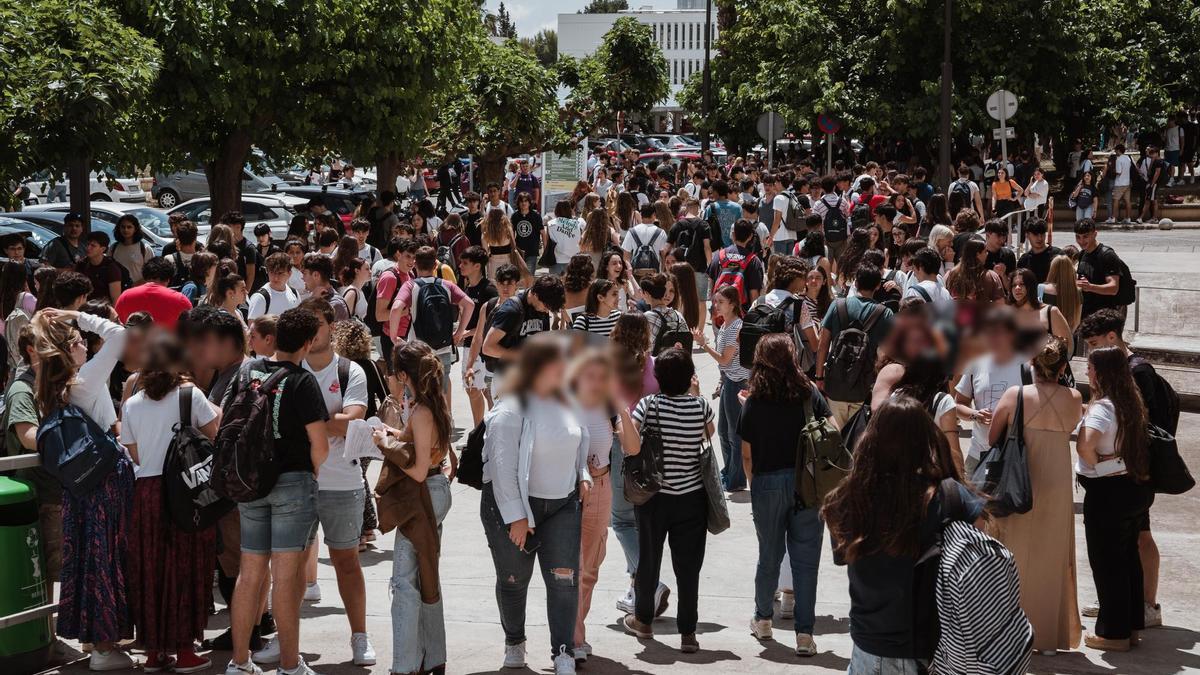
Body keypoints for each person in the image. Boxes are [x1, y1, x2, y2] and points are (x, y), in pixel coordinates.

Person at [823, 396, 985, 673]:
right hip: (923, 650)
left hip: (866, 646)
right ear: (926, 441)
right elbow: (977, 549)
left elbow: (842, 556)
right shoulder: (947, 497)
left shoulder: (848, 498)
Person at [256, 298, 375, 667]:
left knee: (346, 563)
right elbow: (332, 423)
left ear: (330, 325)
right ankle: (283, 638)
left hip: (343, 483)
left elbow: (352, 421)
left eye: (318, 323)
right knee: (286, 569)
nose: (312, 332)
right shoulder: (288, 368)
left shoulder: (350, 371)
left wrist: (302, 424)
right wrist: (326, 421)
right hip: (295, 484)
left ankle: (360, 637)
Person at [223, 307, 330, 675]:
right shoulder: (303, 381)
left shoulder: (247, 372)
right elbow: (320, 445)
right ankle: (289, 664)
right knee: (286, 578)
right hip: (292, 484)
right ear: (308, 341)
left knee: (249, 573)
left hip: (249, 482)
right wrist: (311, 473)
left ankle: (239, 662)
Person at [480, 334, 590, 674]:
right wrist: (516, 516)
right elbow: (502, 467)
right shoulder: (511, 408)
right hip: (512, 509)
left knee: (563, 580)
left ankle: (563, 652)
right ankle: (515, 642)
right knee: (514, 580)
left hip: (563, 506)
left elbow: (578, 440)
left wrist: (582, 473)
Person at [32, 308, 133, 670]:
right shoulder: (85, 381)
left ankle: (97, 641)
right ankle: (105, 647)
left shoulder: (53, 389)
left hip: (81, 488)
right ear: (67, 350)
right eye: (78, 342)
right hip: (105, 481)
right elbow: (120, 335)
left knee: (90, 560)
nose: (86, 347)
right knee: (106, 559)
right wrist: (78, 314)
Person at [121, 333, 221, 673]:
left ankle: (154, 652)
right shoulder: (190, 395)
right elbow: (213, 435)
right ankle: (185, 649)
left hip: (146, 494)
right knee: (187, 566)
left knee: (151, 569)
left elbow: (134, 452)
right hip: (185, 491)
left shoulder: (131, 404)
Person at [986, 337, 1083, 655]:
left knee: (1013, 553)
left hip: (1021, 476)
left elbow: (992, 436)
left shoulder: (1017, 395)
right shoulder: (1075, 397)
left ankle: (1010, 631)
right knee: (1050, 557)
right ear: (1063, 367)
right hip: (1057, 476)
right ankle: (1045, 637)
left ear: (1032, 364)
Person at [738, 334, 832, 656]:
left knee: (769, 556)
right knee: (806, 563)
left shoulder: (754, 399)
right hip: (807, 483)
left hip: (767, 484)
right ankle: (804, 636)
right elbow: (831, 429)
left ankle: (763, 619)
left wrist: (755, 485)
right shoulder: (808, 394)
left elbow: (746, 455)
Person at [621, 347, 714, 655]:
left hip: (654, 497)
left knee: (648, 560)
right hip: (691, 497)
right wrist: (696, 393)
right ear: (689, 377)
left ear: (658, 378)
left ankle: (644, 620)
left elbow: (630, 441)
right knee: (689, 567)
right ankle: (688, 633)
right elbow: (709, 433)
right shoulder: (700, 406)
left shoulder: (649, 405)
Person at [373, 341, 454, 674]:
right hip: (435, 493)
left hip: (424, 497)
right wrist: (392, 432)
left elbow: (418, 469)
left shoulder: (421, 410)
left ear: (404, 375)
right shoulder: (433, 403)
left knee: (404, 582)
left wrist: (384, 443)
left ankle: (405, 665)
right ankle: (432, 657)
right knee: (425, 577)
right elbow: (421, 442)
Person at [1075, 346, 1155, 652]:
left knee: (1107, 564)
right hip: (1134, 489)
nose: (1087, 373)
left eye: (1091, 368)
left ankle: (1113, 633)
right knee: (1128, 561)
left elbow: (1086, 446)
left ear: (1102, 373)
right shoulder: (1131, 401)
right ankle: (1132, 627)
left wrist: (1100, 465)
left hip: (1108, 494)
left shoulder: (1103, 408)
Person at [569, 349, 639, 663]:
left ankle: (575, 631)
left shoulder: (608, 405)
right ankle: (572, 637)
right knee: (569, 567)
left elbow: (632, 447)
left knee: (591, 567)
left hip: (600, 485)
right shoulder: (564, 403)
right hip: (568, 490)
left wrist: (622, 409)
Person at [815, 264, 895, 426]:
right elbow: (889, 352)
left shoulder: (837, 305)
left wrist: (819, 377)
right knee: (858, 441)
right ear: (878, 285)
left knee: (837, 438)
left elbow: (823, 344)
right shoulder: (885, 313)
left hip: (836, 383)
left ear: (856, 283)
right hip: (866, 386)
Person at [693, 285, 751, 491]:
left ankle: (736, 479)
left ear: (733, 304)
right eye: (715, 301)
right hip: (729, 382)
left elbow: (725, 360)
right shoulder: (726, 325)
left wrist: (703, 344)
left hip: (737, 384)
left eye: (720, 302)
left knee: (733, 434)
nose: (715, 305)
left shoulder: (736, 327)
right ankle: (730, 472)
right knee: (724, 431)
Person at [954, 307, 1025, 476]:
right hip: (978, 453)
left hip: (1015, 455)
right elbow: (958, 404)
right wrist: (975, 414)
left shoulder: (1027, 368)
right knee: (971, 500)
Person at [482, 274, 564, 385]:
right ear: (535, 295)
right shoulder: (511, 310)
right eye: (546, 306)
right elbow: (488, 347)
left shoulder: (541, 307)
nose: (546, 311)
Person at [114, 257, 193, 330]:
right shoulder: (180, 300)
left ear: (144, 276)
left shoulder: (125, 296)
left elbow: (116, 327)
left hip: (132, 343)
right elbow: (190, 332)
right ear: (169, 279)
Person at [1073, 219, 1126, 320]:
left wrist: (1090, 287)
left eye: (1085, 236)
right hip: (1086, 314)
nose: (1081, 241)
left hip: (1104, 316)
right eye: (1078, 237)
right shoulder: (1083, 254)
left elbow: (1113, 288)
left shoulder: (1107, 255)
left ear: (1095, 234)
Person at [247, 252, 301, 321]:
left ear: (289, 273)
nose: (275, 278)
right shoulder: (260, 297)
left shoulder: (294, 293)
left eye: (280, 273)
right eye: (272, 272)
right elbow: (252, 328)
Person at [75, 231, 124, 303]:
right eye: (88, 244)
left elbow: (116, 299)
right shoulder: (82, 264)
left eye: (93, 246)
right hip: (84, 308)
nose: (88, 248)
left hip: (103, 309)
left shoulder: (111, 268)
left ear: (103, 249)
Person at [301, 252, 350, 322]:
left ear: (316, 275)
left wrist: (311, 302)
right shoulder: (314, 296)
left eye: (304, 273)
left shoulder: (335, 304)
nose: (302, 278)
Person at [109, 214, 155, 286]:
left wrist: (132, 286)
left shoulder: (145, 249)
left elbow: (151, 274)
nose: (125, 230)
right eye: (123, 227)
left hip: (138, 291)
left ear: (135, 229)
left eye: (129, 227)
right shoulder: (113, 248)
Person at [545, 200, 586, 276]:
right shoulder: (579, 222)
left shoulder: (551, 223)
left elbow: (547, 241)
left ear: (556, 210)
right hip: (575, 259)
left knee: (555, 285)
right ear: (570, 210)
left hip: (556, 259)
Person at [512, 192, 544, 274]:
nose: (523, 203)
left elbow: (543, 233)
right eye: (521, 201)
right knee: (518, 277)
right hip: (518, 251)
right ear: (518, 203)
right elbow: (511, 233)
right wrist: (512, 248)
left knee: (529, 276)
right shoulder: (515, 216)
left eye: (526, 201)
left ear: (529, 203)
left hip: (532, 251)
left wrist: (545, 249)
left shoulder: (536, 215)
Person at [1106, 144, 1135, 224]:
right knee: (1127, 201)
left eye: (1116, 150)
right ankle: (1128, 218)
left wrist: (1113, 170)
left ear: (1118, 150)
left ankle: (1114, 218)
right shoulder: (1128, 158)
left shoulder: (1118, 159)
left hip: (1119, 183)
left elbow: (1118, 172)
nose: (1115, 152)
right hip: (1127, 182)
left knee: (1115, 200)